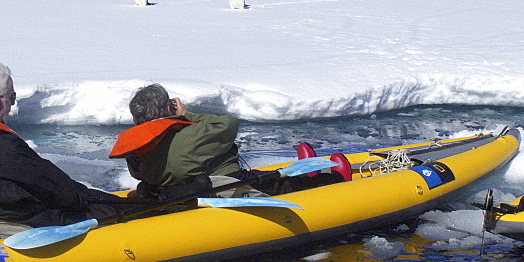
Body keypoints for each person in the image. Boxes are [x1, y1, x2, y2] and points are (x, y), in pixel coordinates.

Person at [0, 63, 122, 244]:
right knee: (111, 211)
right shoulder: (4, 147)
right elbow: (62, 192)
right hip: (20, 226)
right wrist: (106, 202)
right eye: (12, 98)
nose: (12, 105)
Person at [111, 83, 348, 200]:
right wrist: (185, 116)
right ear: (167, 108)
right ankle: (332, 178)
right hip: (218, 184)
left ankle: (304, 173)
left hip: (174, 192)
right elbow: (227, 125)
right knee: (269, 183)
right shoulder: (188, 135)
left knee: (263, 177)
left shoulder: (137, 147)